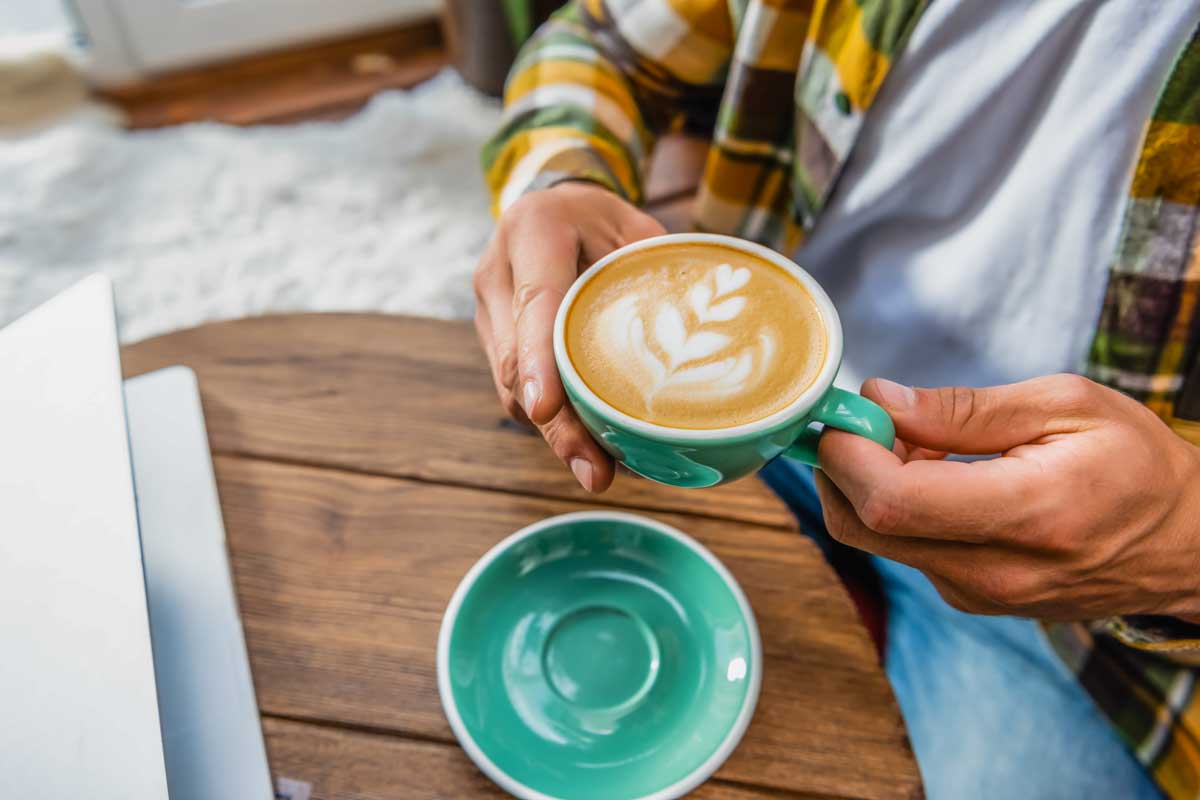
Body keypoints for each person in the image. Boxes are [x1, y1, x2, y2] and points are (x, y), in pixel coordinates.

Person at [471, 2, 1200, 797]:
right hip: (739, 426)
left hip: (1092, 598)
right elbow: (603, 40)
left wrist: (1182, 548)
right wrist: (559, 181)